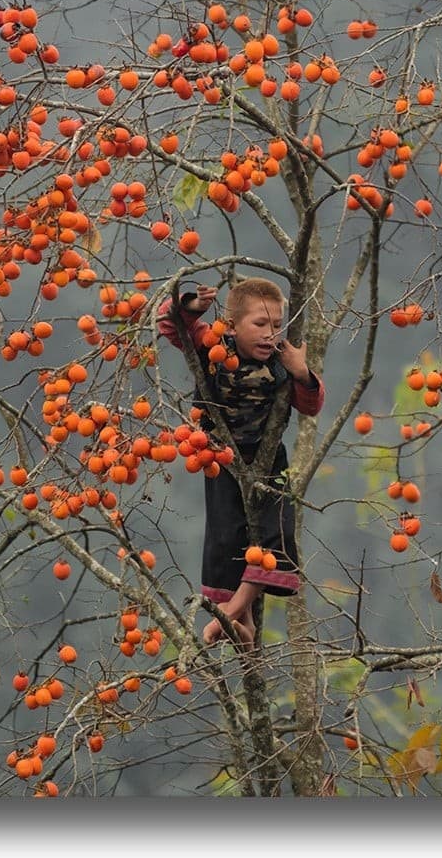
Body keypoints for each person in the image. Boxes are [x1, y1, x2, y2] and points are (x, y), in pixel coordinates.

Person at [157, 276, 322, 647]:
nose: (270, 334)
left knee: (272, 536)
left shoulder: (282, 361)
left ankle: (229, 613)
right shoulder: (213, 345)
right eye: (260, 324)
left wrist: (301, 372)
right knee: (228, 537)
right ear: (232, 325)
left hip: (268, 463)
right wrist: (193, 306)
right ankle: (242, 625)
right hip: (219, 460)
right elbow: (169, 323)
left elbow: (310, 406)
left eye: (277, 326)